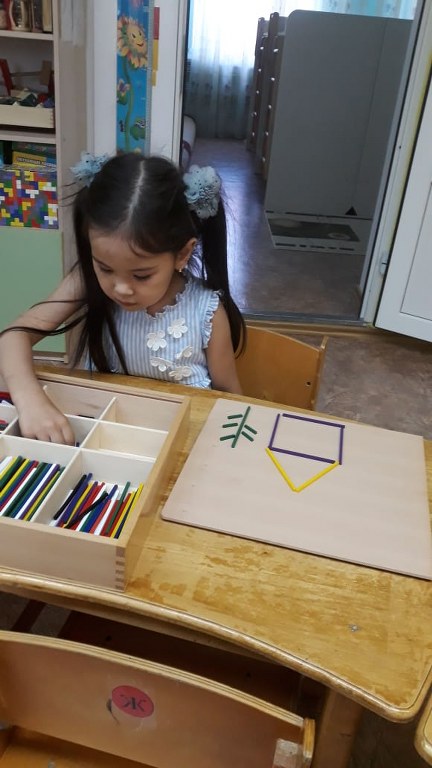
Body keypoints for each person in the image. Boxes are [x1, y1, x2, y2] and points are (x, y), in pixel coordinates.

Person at [0, 152, 245, 446]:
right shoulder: (86, 281)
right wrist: (30, 401)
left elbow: (230, 398)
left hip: (179, 442)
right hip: (103, 436)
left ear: (182, 254)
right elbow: (13, 337)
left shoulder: (207, 312)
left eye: (141, 275)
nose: (121, 289)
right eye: (105, 268)